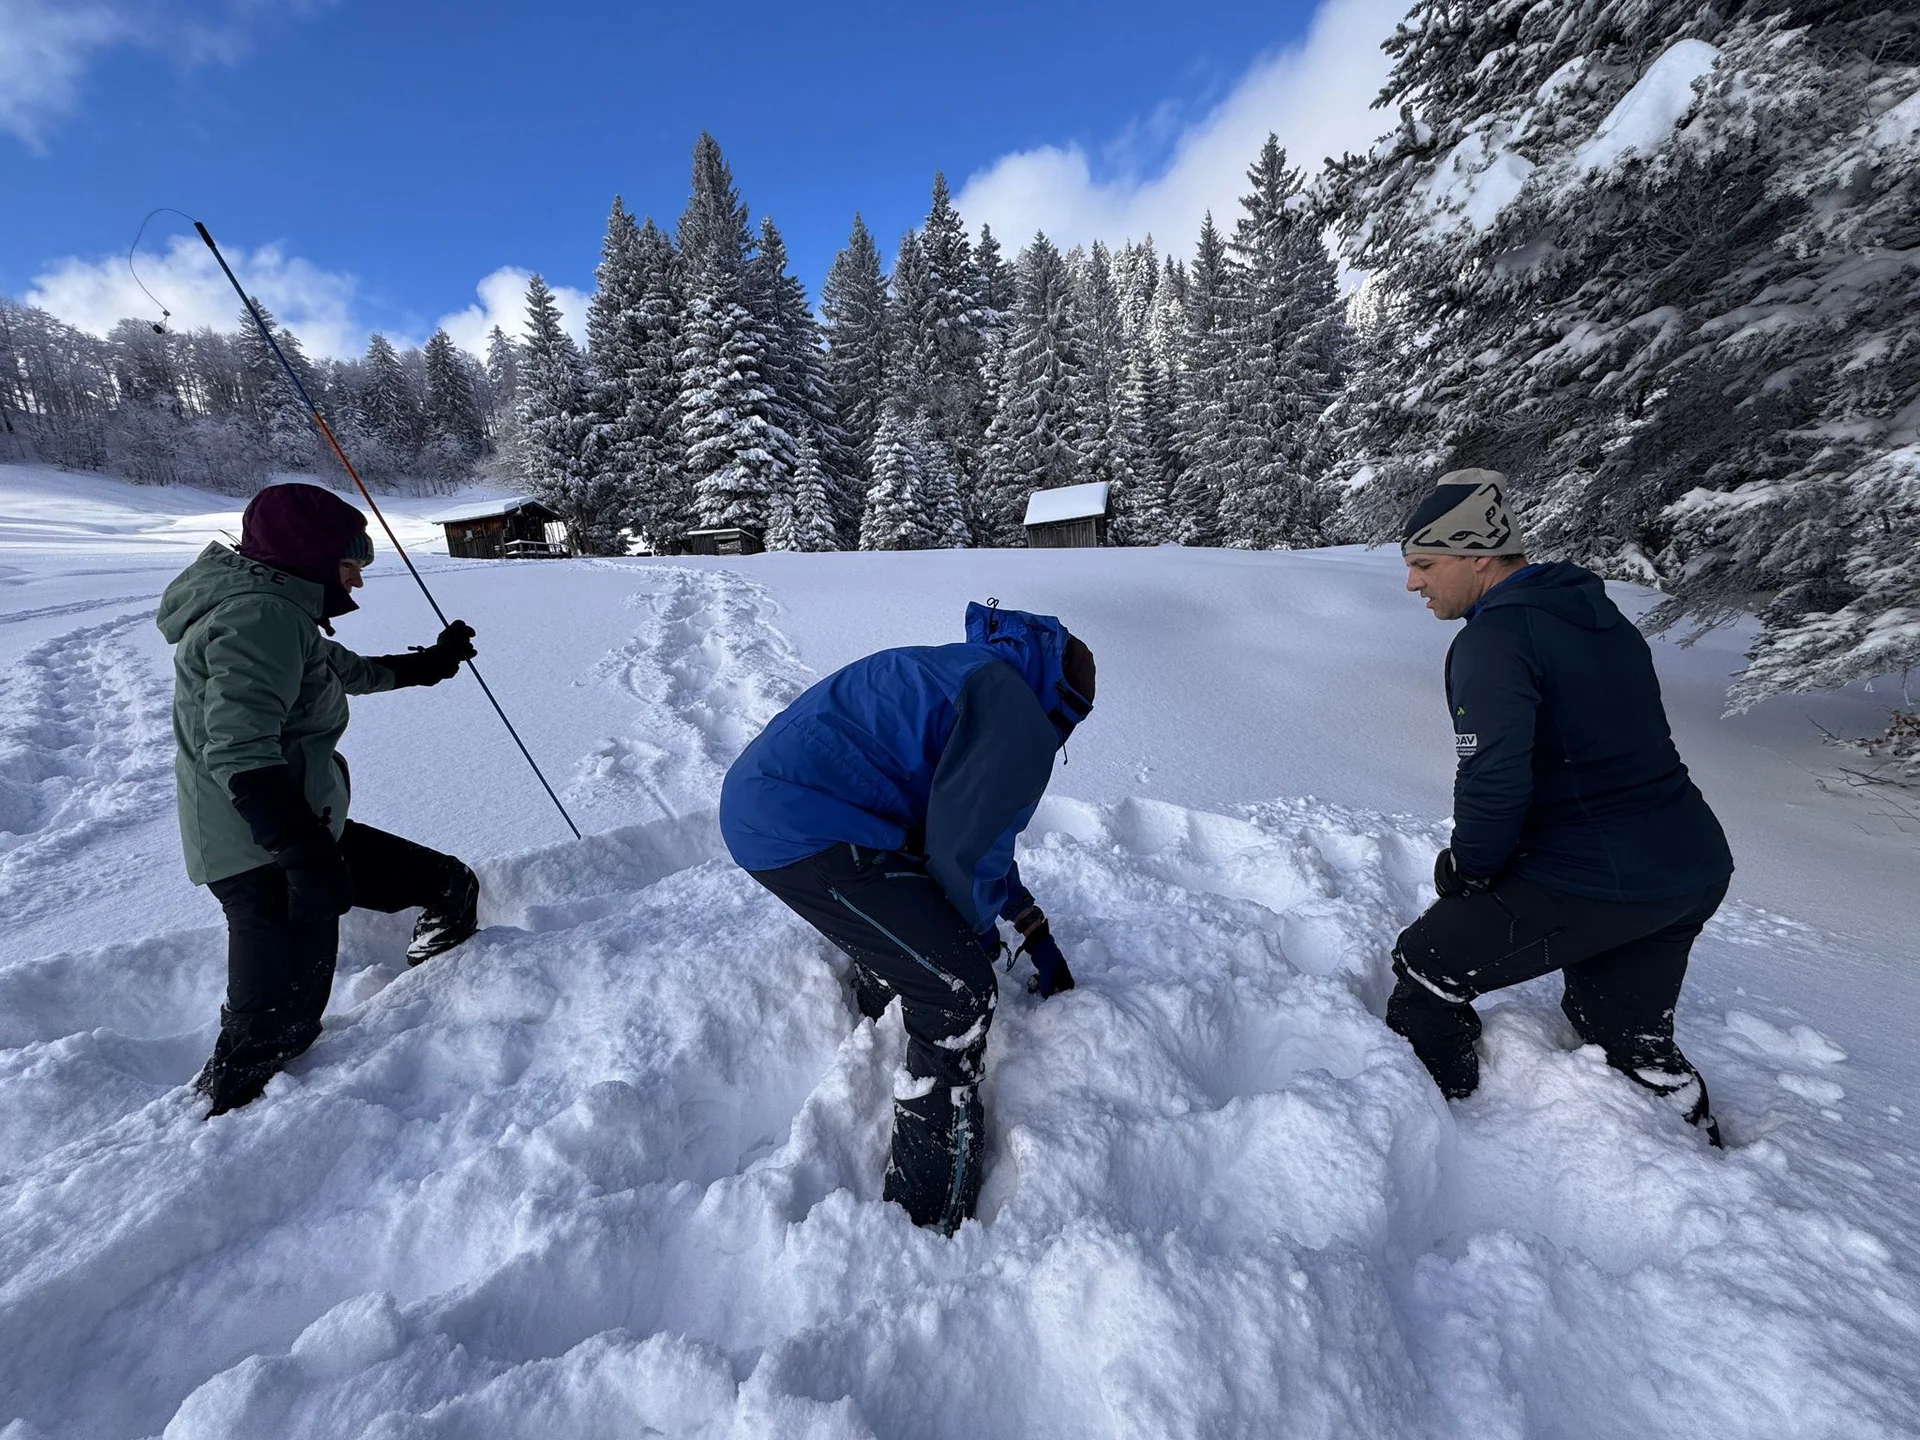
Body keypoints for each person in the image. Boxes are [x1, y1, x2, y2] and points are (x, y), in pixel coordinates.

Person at [719, 601, 1094, 1233]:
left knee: (925, 921)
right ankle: (926, 1212)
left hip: (778, 801)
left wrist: (1029, 924)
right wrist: (969, 941)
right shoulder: (1012, 710)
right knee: (959, 991)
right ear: (1060, 703)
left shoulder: (979, 676)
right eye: (1068, 724)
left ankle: (883, 995)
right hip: (805, 825)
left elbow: (978, 834)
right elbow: (959, 857)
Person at [1388, 470, 1734, 1143]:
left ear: (1479, 556)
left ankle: (1446, 1119)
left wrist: (1472, 867)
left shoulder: (1493, 640)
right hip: (1691, 867)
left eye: (1425, 564)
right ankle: (1699, 1150)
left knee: (1426, 964)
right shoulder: (1596, 616)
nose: (1413, 583)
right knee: (1624, 1033)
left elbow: (1494, 775)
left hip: (1598, 874)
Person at [157, 482, 483, 1116]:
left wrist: (433, 662)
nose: (357, 581)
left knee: (449, 885)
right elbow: (239, 751)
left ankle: (442, 996)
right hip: (262, 848)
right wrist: (304, 857)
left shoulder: (279, 613)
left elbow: (344, 671)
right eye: (350, 564)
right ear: (308, 557)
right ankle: (217, 1131)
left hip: (302, 830)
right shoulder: (258, 617)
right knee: (275, 1027)